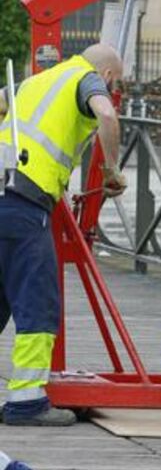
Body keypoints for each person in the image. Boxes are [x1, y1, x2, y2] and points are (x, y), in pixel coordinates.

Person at [0, 44, 127, 426]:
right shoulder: (86, 79)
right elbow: (106, 115)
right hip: (24, 202)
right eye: (115, 84)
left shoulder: (35, 82)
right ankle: (26, 402)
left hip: (7, 190)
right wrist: (111, 171)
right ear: (107, 75)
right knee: (37, 302)